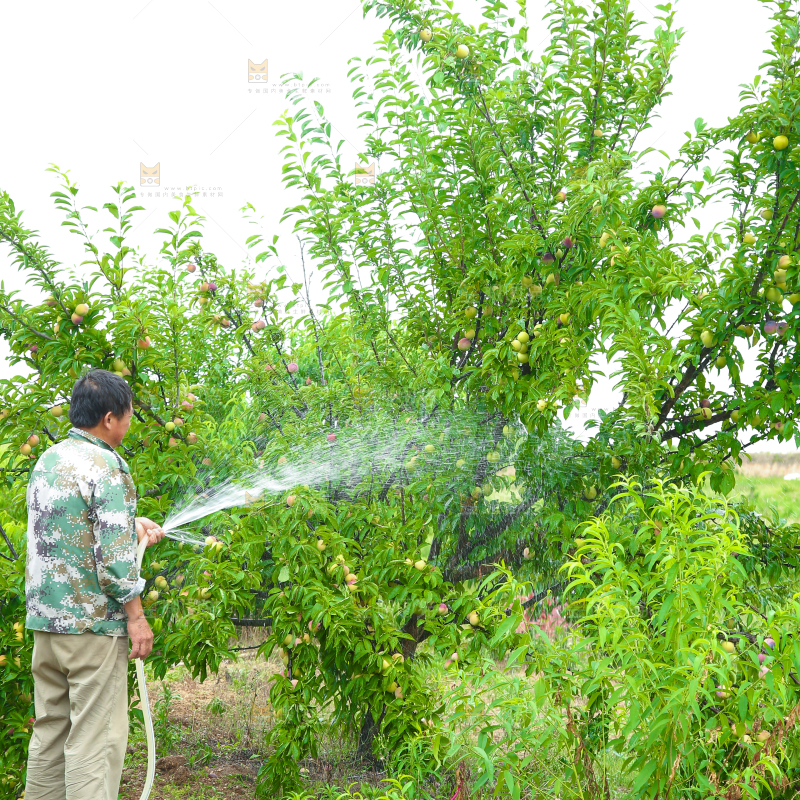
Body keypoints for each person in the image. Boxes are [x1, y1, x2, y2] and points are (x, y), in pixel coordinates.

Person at [24, 369, 165, 800]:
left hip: (47, 628)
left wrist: (126, 524)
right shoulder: (108, 466)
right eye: (127, 416)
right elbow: (116, 565)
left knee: (49, 735)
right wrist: (137, 618)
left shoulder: (49, 459)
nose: (128, 424)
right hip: (92, 631)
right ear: (109, 418)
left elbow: (68, 526)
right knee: (95, 742)